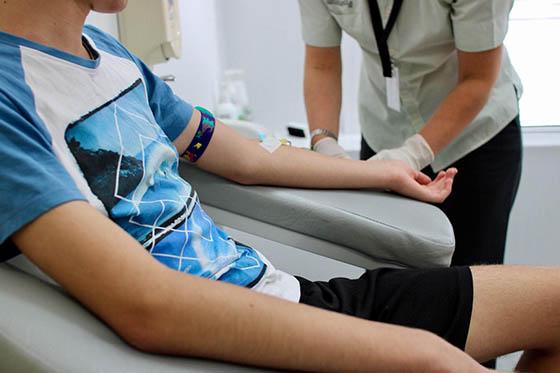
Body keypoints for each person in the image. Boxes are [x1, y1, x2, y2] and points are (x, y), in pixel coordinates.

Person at [0, 1, 558, 372]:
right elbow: (146, 305)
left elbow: (244, 159)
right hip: (224, 340)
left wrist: (379, 168)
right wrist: (419, 354)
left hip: (282, 297)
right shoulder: (8, 97)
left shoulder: (112, 56)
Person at [299, 0, 523, 267]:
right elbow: (321, 66)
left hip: (474, 137)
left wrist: (412, 154)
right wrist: (324, 143)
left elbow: (477, 78)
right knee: (388, 278)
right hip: (383, 130)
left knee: (471, 280)